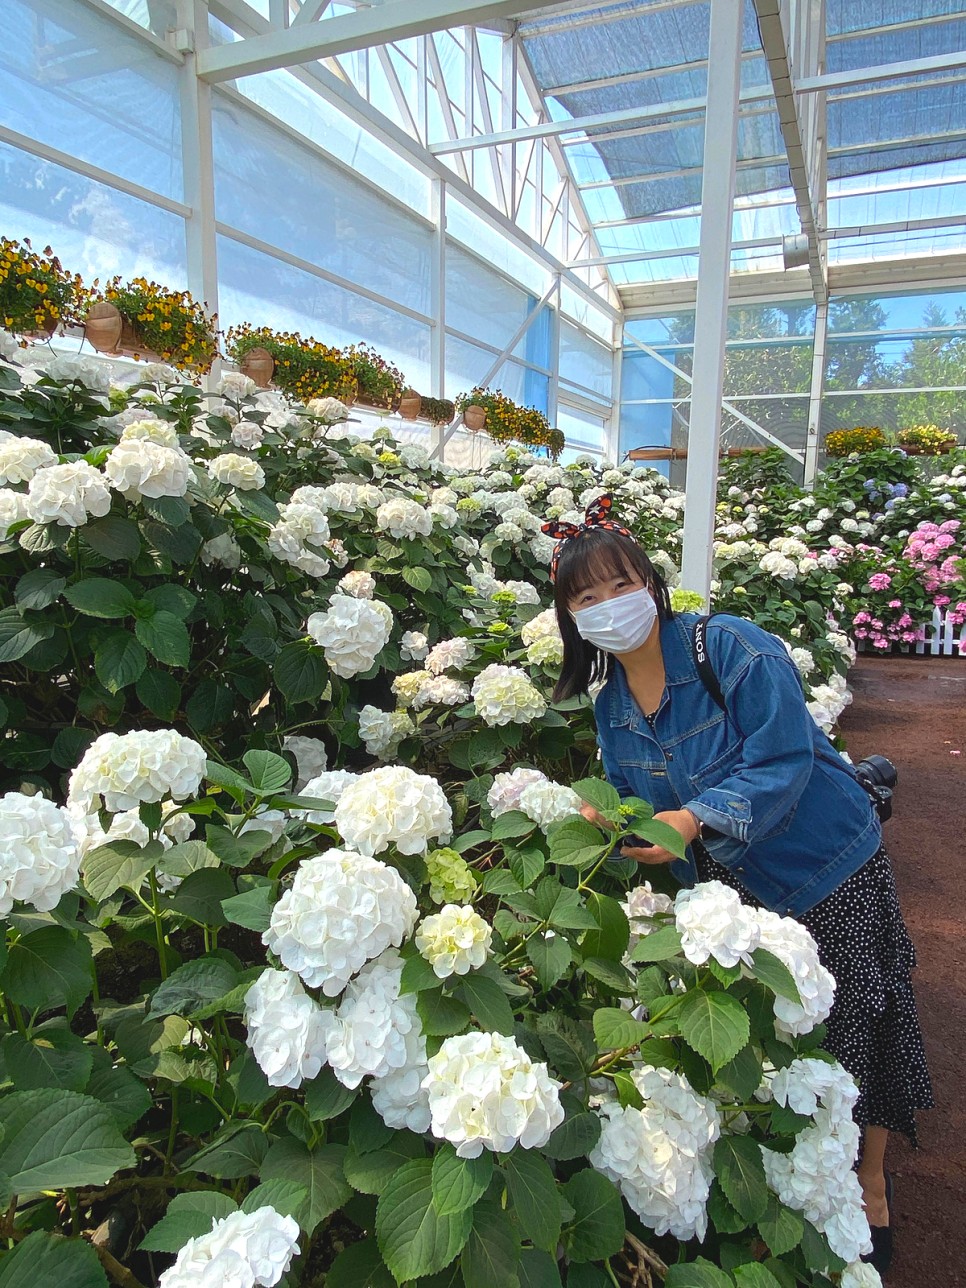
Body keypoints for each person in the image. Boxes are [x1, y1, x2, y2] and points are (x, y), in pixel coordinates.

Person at [542, 496, 933, 1275]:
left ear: (651, 584)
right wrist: (611, 828)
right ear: (571, 620)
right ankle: (794, 1188)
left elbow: (783, 759)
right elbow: (640, 812)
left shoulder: (730, 648)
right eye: (585, 599)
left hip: (826, 864)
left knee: (855, 1014)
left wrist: (689, 819)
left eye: (619, 586)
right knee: (780, 1036)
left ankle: (869, 1184)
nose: (607, 607)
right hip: (736, 892)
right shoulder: (613, 710)